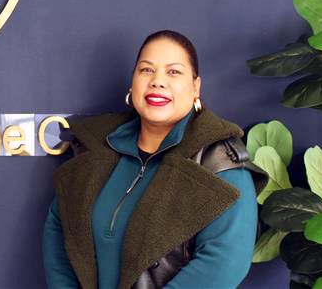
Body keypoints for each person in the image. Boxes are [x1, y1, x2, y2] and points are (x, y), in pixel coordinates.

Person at [42, 30, 267, 289]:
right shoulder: (94, 149)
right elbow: (60, 230)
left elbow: (224, 265)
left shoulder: (221, 164)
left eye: (174, 72)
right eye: (146, 70)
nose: (157, 81)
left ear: (196, 87)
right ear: (132, 83)